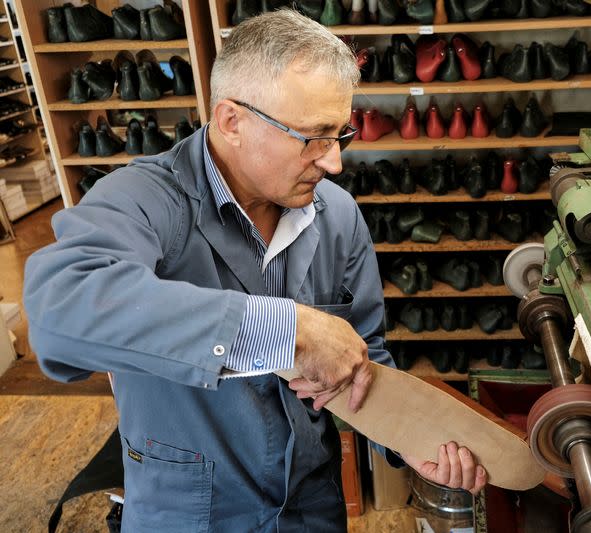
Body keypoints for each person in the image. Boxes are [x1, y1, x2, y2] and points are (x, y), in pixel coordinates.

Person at [24, 9, 486, 532]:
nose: (333, 162)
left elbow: (363, 359)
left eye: (341, 134)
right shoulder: (145, 199)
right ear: (231, 121)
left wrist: (409, 436)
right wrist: (286, 331)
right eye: (311, 136)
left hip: (312, 506)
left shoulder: (336, 214)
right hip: (190, 514)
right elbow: (59, 312)